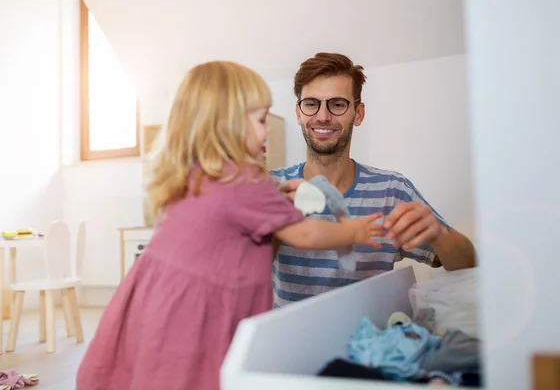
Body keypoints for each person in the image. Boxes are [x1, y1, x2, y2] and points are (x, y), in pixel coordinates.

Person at [75, 61, 386, 390]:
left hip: (159, 304)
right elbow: (305, 233)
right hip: (198, 313)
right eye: (261, 119)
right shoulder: (245, 179)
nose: (266, 130)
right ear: (227, 124)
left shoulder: (197, 175)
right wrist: (352, 232)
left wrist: (275, 204)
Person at [271, 52, 476, 308]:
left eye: (337, 104)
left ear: (358, 113)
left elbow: (468, 264)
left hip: (371, 344)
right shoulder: (271, 188)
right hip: (290, 344)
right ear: (299, 113)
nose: (323, 116)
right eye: (311, 103)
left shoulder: (392, 191)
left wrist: (440, 235)